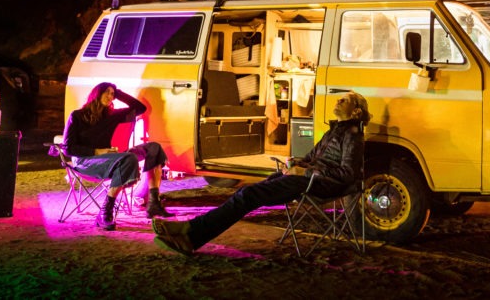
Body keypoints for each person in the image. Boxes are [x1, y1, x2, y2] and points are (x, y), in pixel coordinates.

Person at [151, 91, 371, 255]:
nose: (337, 101)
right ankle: (190, 229)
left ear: (356, 111)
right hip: (305, 179)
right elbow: (310, 158)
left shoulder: (352, 134)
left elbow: (347, 174)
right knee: (250, 193)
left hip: (318, 184)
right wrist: (294, 163)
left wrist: (305, 171)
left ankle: (190, 235)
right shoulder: (335, 130)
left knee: (247, 196)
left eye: (344, 100)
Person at [63, 82, 172, 230]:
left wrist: (118, 92)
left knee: (154, 148)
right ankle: (105, 212)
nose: (110, 97)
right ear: (97, 93)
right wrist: (97, 152)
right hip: (85, 162)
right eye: (107, 92)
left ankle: (154, 203)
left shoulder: (111, 115)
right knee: (128, 159)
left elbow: (140, 108)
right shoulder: (77, 116)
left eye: (112, 94)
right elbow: (68, 149)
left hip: (110, 159)